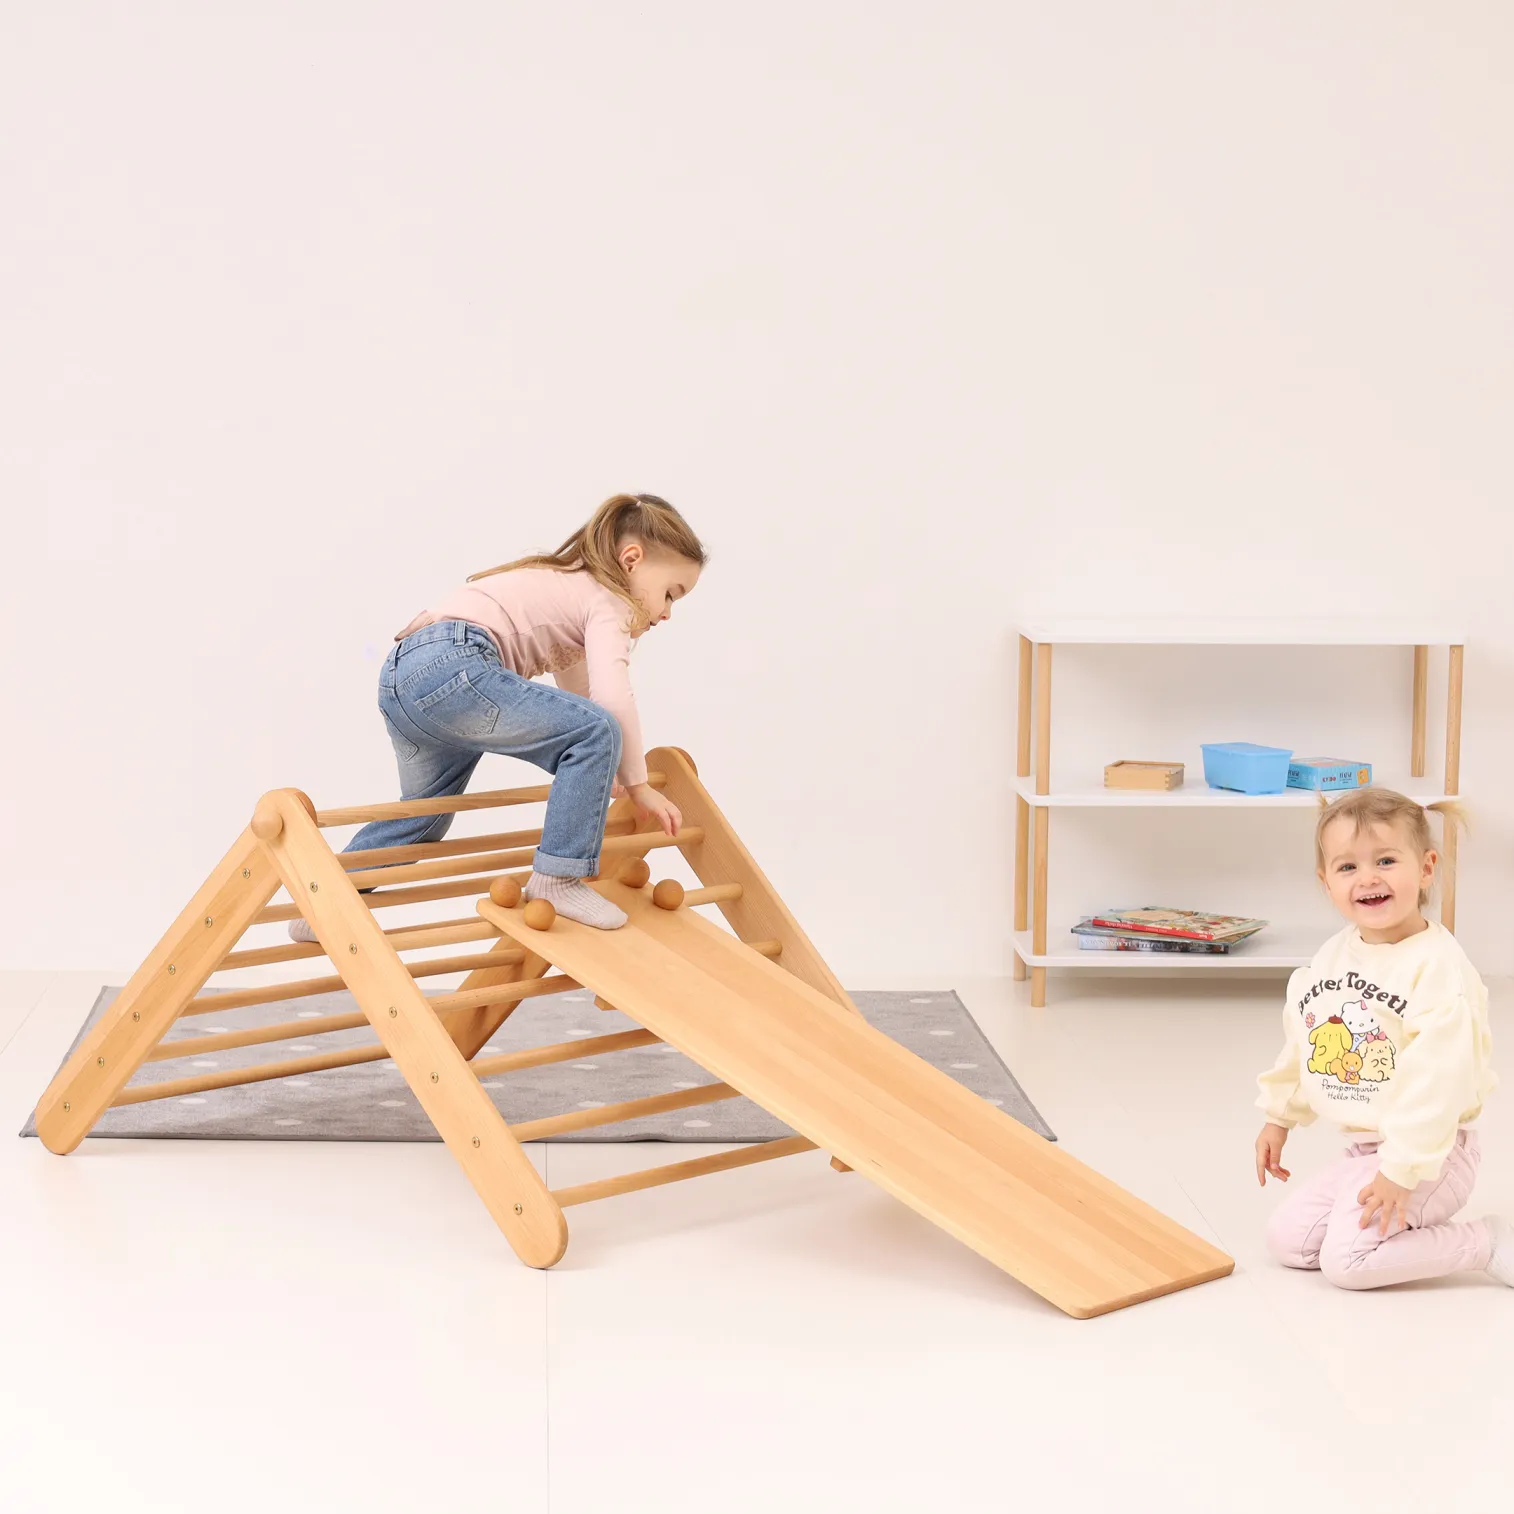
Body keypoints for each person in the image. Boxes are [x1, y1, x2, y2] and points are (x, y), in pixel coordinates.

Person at [291, 492, 704, 938]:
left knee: (424, 816)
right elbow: (612, 700)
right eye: (669, 594)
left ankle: (319, 905)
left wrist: (611, 767)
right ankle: (557, 880)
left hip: (405, 677)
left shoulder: (567, 584)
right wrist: (639, 785)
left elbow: (579, 693)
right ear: (631, 560)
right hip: (455, 664)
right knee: (598, 729)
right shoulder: (610, 600)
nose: (666, 613)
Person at [1254, 786, 1513, 1289]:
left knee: (1346, 1264)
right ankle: (1386, 1220)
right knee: (1288, 1241)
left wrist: (1402, 1169)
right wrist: (1278, 1118)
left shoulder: (1437, 968)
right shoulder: (1334, 955)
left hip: (1431, 1152)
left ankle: (1485, 1241)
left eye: (1386, 860)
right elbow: (1304, 1039)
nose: (1368, 878)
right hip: (1364, 1152)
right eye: (1347, 867)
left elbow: (1438, 1081)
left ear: (1426, 869)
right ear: (1326, 882)